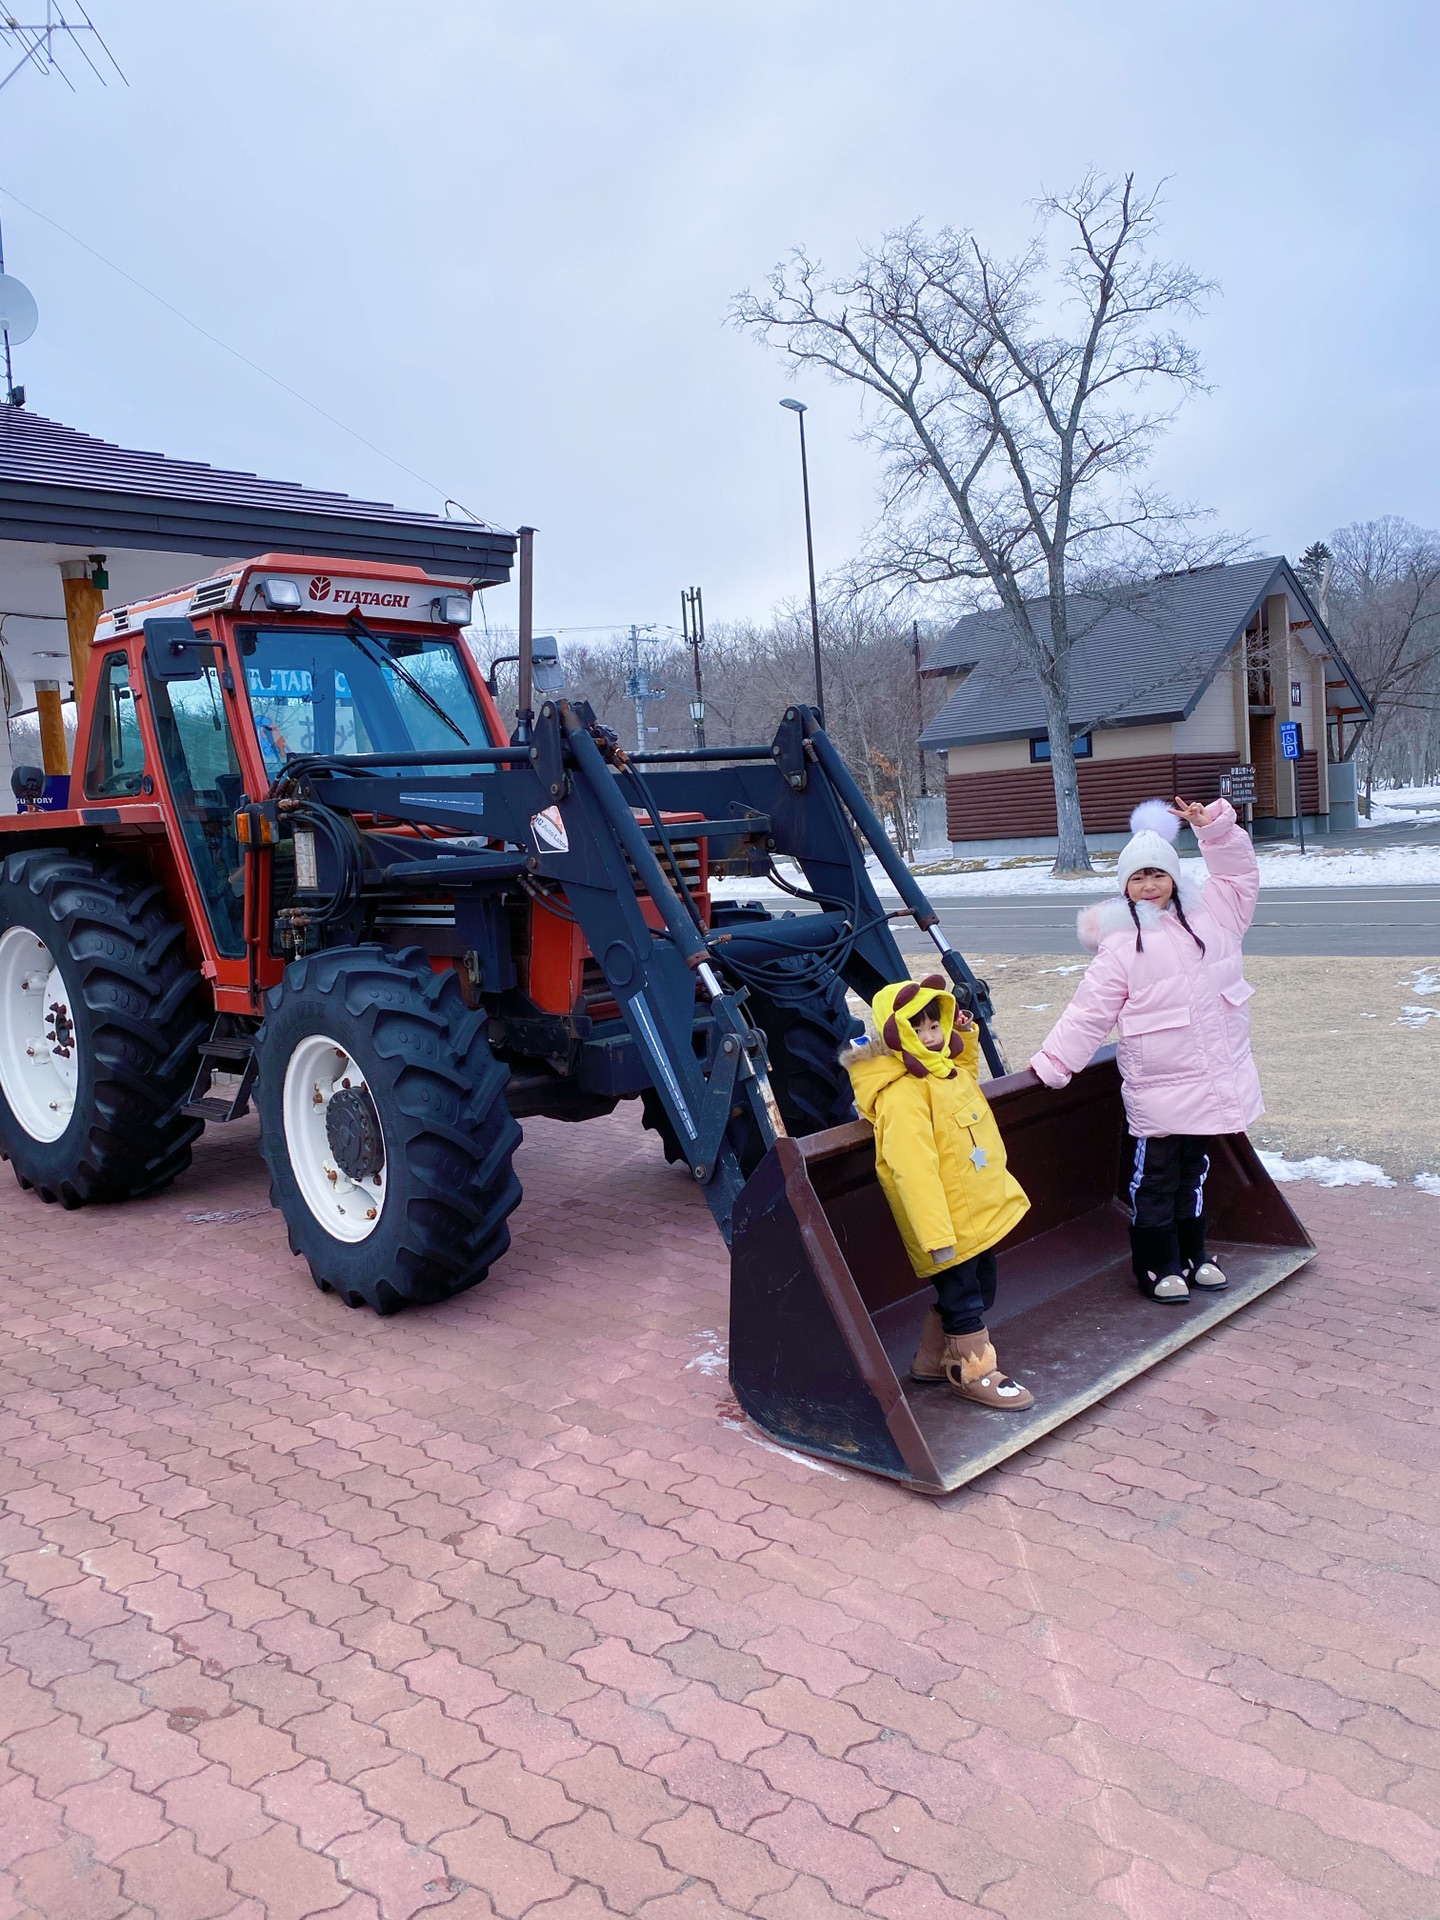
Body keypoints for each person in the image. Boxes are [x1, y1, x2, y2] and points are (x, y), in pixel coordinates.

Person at [1029, 796, 1262, 1303]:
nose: (1149, 885)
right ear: (1124, 886)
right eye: (1138, 877)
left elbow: (1239, 875)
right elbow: (1090, 1011)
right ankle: (1157, 1264)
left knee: (1194, 1172)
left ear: (1175, 877)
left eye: (1158, 874)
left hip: (1209, 1080)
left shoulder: (1217, 917)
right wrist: (1054, 1062)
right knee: (1154, 1177)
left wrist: (1214, 829)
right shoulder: (1120, 945)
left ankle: (1194, 1253)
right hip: (1158, 1087)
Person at [843, 976, 1034, 1408]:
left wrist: (965, 1035)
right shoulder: (901, 1096)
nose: (931, 1037)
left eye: (936, 1026)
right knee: (965, 1298)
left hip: (973, 1211)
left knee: (980, 1289)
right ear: (898, 1034)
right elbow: (912, 1172)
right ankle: (974, 1372)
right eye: (920, 1028)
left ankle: (931, 1360)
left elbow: (960, 1078)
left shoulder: (939, 1069)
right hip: (945, 1223)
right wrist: (935, 1238)